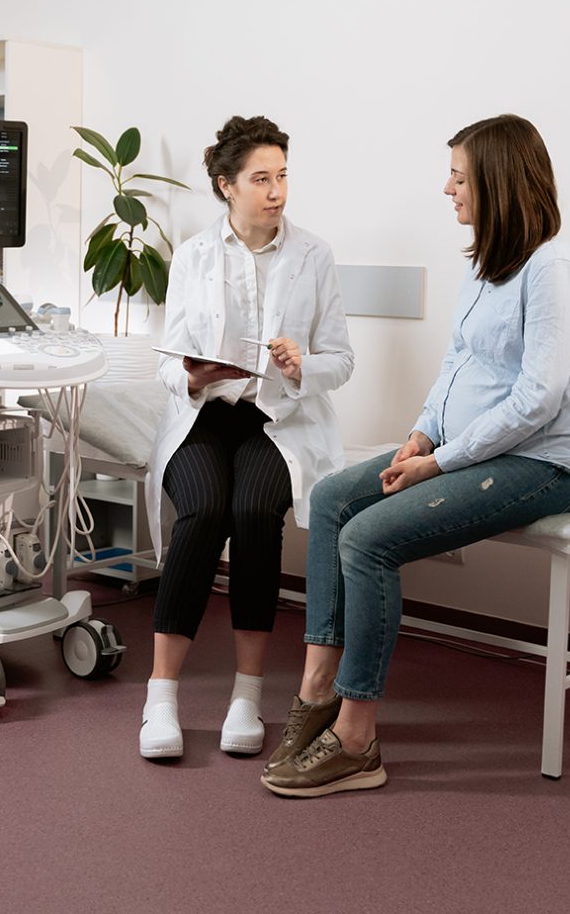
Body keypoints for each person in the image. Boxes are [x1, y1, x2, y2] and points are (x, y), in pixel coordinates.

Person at [261, 114, 570, 797]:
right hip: (467, 449)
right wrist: (421, 434)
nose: (447, 188)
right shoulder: (485, 265)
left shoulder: (551, 269)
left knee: (368, 539)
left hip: (546, 465)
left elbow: (537, 400)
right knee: (331, 498)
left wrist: (440, 463)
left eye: (459, 176)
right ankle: (318, 691)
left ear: (498, 183)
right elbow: (457, 366)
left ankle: (357, 740)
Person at [142, 115, 354, 760]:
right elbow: (162, 360)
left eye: (282, 175)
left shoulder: (313, 255)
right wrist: (191, 373)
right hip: (205, 414)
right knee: (203, 513)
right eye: (260, 178)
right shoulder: (195, 255)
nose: (277, 191)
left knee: (255, 514)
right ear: (225, 185)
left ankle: (247, 693)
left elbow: (340, 360)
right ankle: (161, 696)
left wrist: (300, 365)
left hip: (277, 419)